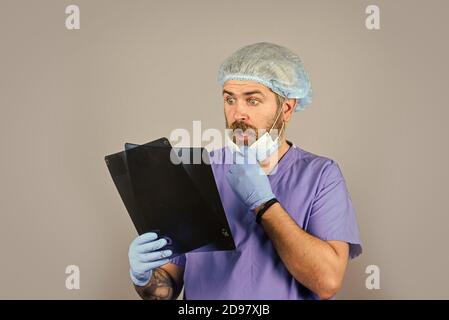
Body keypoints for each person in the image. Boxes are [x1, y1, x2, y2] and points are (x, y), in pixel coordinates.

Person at [128, 42, 362, 300]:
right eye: (230, 99)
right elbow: (164, 290)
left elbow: (327, 282)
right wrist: (145, 277)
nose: (238, 112)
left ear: (286, 108)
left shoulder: (320, 176)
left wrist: (264, 204)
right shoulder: (197, 173)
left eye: (253, 100)